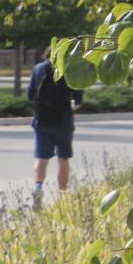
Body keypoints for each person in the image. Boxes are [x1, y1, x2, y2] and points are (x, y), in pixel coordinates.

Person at [27, 46, 83, 211]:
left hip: (42, 120)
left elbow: (30, 95)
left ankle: (38, 186)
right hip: (63, 121)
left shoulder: (38, 69)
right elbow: (78, 100)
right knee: (63, 158)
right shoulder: (71, 70)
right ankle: (63, 196)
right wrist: (67, 109)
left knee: (41, 158)